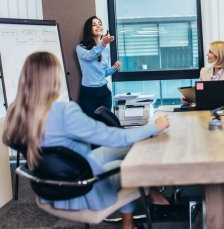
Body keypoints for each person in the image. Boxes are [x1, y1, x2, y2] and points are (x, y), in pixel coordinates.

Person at [2, 52, 169, 229]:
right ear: (53, 78)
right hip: (83, 189)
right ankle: (131, 222)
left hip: (50, 187)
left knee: (129, 147)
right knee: (126, 165)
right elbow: (113, 136)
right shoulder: (64, 111)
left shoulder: (16, 112)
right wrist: (154, 127)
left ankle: (152, 192)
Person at [76, 16, 121, 119]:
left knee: (105, 124)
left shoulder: (105, 50)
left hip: (104, 93)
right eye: (94, 25)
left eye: (100, 24)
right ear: (89, 28)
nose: (98, 26)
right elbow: (90, 56)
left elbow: (103, 73)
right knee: (90, 125)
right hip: (88, 94)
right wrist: (103, 44)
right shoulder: (81, 47)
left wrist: (114, 68)